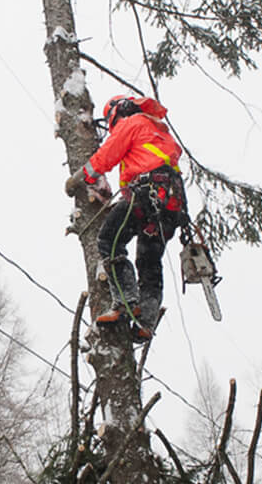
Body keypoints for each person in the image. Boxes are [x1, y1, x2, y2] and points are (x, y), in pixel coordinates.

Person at [67, 94, 186, 342]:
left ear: (116, 115)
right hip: (171, 207)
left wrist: (79, 178)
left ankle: (125, 301)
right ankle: (146, 321)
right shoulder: (161, 133)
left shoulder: (132, 124)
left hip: (145, 195)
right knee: (149, 260)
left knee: (109, 240)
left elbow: (105, 157)